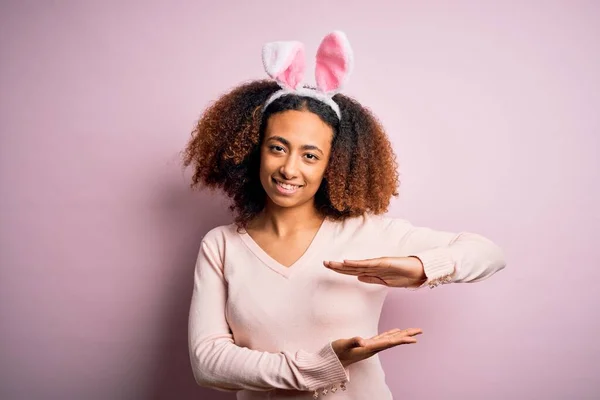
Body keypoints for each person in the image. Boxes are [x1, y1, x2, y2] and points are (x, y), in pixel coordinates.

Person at [184, 31, 506, 400]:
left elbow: (490, 254)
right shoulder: (222, 245)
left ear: (333, 165)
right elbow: (207, 362)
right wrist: (321, 365)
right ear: (253, 150)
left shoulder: (367, 232)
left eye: (310, 155)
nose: (289, 169)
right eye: (277, 148)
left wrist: (421, 267)